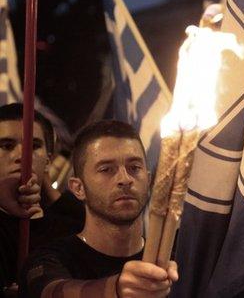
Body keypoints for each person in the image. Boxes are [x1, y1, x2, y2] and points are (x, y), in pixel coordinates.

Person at [20, 120, 178, 298]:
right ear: (78, 188)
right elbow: (53, 292)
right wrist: (117, 290)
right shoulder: (48, 260)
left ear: (148, 181)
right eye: (106, 169)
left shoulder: (170, 263)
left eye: (134, 168)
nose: (125, 179)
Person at [0, 103, 84, 296]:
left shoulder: (71, 230)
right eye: (6, 145)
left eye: (34, 146)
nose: (22, 155)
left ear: (47, 160)